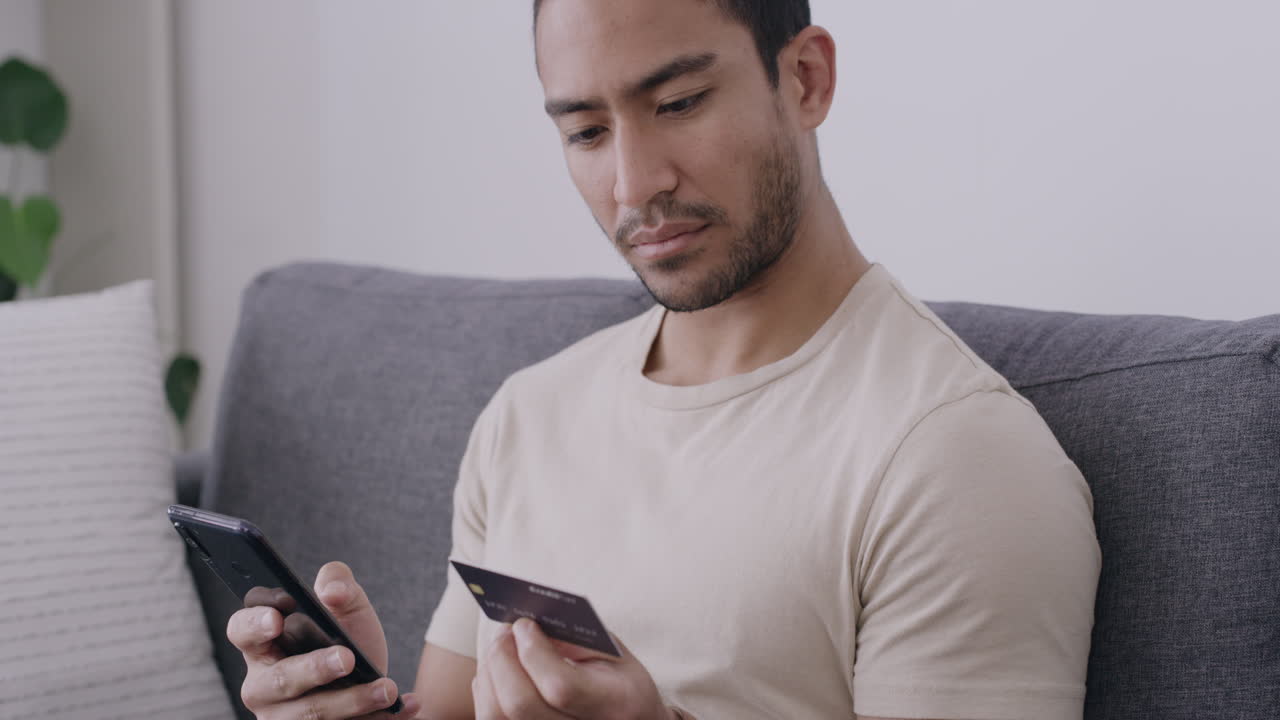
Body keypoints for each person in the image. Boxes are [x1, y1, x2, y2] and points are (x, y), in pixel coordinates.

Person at [227, 0, 1101, 718]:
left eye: (678, 103)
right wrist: (356, 705)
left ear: (805, 79)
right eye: (585, 132)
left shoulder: (955, 456)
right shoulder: (530, 415)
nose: (634, 184)